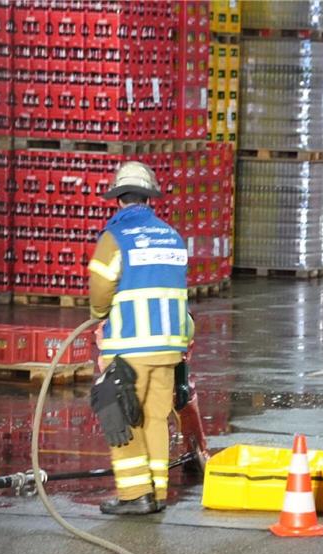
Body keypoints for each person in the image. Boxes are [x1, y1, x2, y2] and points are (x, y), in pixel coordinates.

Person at [88, 161, 192, 515]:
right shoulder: (173, 237)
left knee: (119, 415)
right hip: (168, 349)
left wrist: (99, 315)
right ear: (149, 199)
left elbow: (101, 288)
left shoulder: (115, 238)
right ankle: (158, 494)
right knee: (154, 418)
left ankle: (135, 496)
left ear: (118, 200)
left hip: (130, 348)